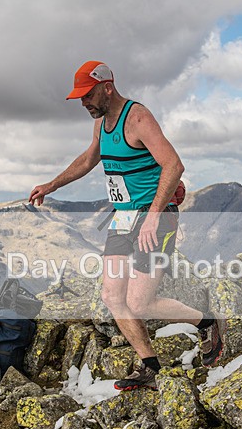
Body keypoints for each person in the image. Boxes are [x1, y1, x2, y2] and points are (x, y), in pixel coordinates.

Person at [29, 60, 226, 391]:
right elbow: (90, 158)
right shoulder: (101, 121)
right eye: (80, 98)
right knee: (111, 295)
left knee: (139, 303)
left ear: (107, 88)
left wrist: (153, 214)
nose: (83, 103)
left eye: (87, 95)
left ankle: (207, 323)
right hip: (123, 217)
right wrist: (51, 185)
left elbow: (173, 165)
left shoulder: (137, 117)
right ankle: (149, 365)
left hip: (155, 217)